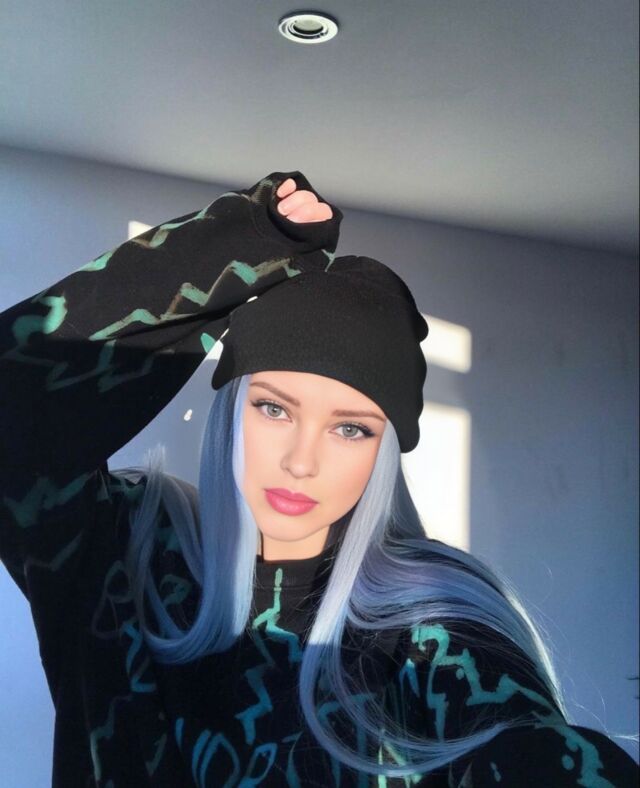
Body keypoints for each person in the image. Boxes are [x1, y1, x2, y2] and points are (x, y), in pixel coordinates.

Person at [0, 170, 637, 787]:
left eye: (350, 428)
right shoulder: (129, 551)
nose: (301, 461)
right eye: (274, 409)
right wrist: (243, 243)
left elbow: (525, 750)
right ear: (233, 408)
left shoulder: (430, 627)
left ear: (384, 451)